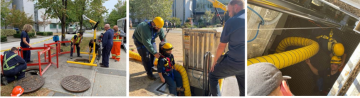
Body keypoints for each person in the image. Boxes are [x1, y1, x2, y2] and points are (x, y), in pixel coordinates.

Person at [208, 0, 245, 96]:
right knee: (243, 88)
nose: (229, 13)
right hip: (246, 64)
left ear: (236, 7)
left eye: (229, 11)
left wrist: (215, 62)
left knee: (212, 75)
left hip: (234, 62)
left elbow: (221, 46)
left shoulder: (232, 21)